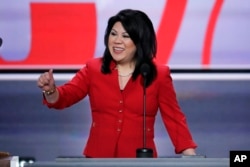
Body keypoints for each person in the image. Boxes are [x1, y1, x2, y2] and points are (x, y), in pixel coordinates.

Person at [37, 9, 197, 158]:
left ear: (139, 41)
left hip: (140, 160)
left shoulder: (158, 74)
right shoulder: (94, 69)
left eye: (126, 36)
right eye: (113, 34)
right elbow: (65, 96)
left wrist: (192, 158)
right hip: (98, 159)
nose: (117, 41)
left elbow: (175, 119)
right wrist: (50, 90)